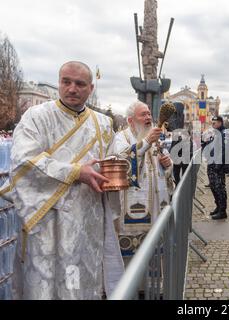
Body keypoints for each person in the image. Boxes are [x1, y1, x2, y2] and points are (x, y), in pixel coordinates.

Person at [3, 61, 124, 299]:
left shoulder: (103, 124)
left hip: (87, 222)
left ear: (90, 88)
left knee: (80, 285)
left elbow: (108, 163)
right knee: (45, 287)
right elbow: (23, 163)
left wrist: (117, 173)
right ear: (59, 83)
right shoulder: (36, 117)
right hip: (47, 222)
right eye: (66, 82)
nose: (72, 88)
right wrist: (76, 172)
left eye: (79, 84)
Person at [109, 101, 174, 262]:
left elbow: (162, 170)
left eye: (149, 114)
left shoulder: (153, 137)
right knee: (133, 261)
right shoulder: (120, 138)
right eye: (143, 114)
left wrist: (168, 164)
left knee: (153, 255)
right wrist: (145, 143)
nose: (148, 118)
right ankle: (132, 288)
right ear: (130, 120)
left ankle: (152, 286)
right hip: (131, 211)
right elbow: (121, 163)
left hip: (156, 208)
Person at [202, 116, 229, 220]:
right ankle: (218, 207)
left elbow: (225, 150)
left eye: (214, 123)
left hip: (218, 166)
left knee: (219, 188)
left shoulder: (224, 133)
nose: (212, 125)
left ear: (220, 123)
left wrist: (219, 165)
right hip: (212, 164)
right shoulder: (215, 133)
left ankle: (223, 211)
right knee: (214, 187)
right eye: (212, 123)